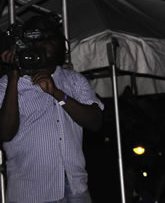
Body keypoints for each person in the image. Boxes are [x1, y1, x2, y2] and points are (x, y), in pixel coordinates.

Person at [0, 15, 104, 203]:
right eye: (37, 40)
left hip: (75, 188)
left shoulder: (74, 80)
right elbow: (5, 133)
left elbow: (95, 122)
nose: (43, 46)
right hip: (30, 191)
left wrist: (58, 93)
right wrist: (13, 76)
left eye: (49, 40)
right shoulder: (7, 84)